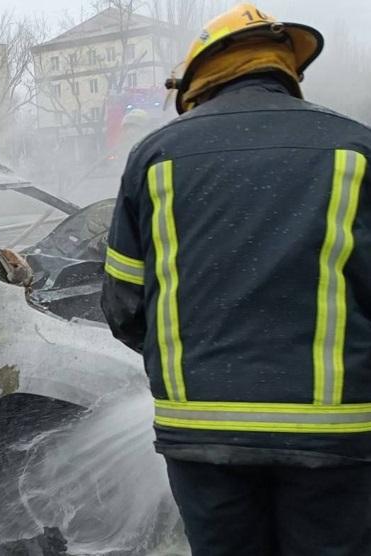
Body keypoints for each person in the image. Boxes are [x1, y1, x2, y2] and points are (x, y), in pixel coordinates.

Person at [101, 4, 371, 555]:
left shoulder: (154, 157)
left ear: (201, 77)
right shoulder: (357, 149)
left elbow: (125, 308)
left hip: (201, 432)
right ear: (286, 68)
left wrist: (200, 361)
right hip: (337, 435)